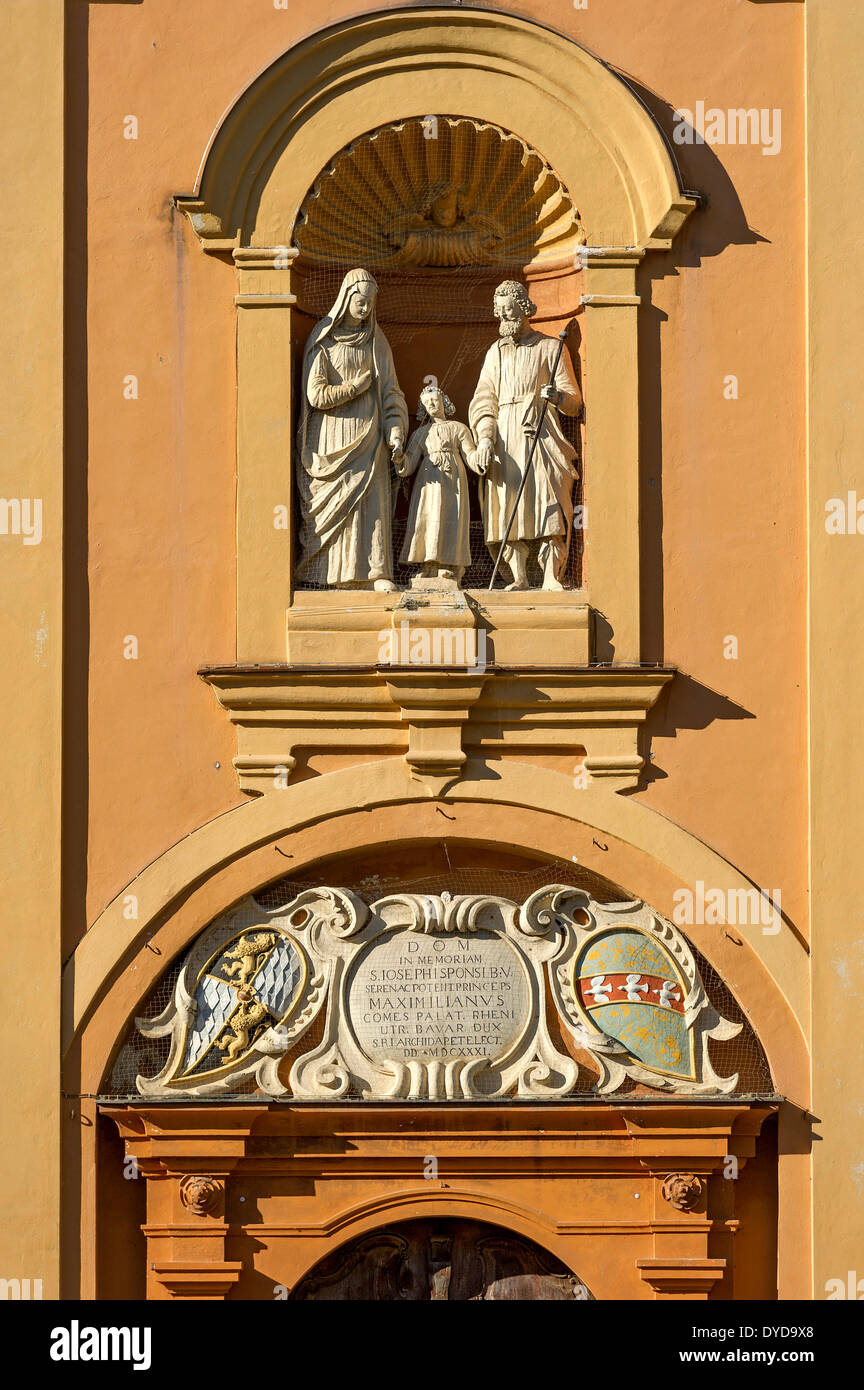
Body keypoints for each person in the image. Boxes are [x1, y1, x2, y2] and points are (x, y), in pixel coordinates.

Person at [296, 268, 408, 590]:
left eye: (371, 303)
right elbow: (315, 395)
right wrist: (355, 388)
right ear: (346, 299)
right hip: (330, 436)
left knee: (369, 503)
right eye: (361, 301)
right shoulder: (324, 340)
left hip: (369, 436)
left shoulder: (376, 341)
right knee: (333, 506)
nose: (366, 309)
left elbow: (390, 391)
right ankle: (326, 572)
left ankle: (375, 572)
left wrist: (396, 429)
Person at [469, 280, 583, 590]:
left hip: (540, 433)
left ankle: (550, 575)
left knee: (549, 498)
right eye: (500, 314)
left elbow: (574, 402)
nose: (504, 319)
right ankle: (518, 575)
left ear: (524, 309)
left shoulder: (549, 347)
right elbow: (484, 400)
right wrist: (486, 438)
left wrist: (554, 396)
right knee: (510, 504)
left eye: (510, 312)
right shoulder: (496, 353)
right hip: (505, 434)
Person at [397, 383, 486, 583]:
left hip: (453, 479)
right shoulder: (420, 434)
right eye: (427, 403)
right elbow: (409, 463)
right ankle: (428, 565)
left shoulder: (458, 428)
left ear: (444, 403)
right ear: (423, 408)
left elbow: (469, 454)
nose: (432, 405)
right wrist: (398, 459)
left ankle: (449, 564)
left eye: (435, 400)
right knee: (427, 518)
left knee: (451, 518)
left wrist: (479, 459)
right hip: (428, 481)